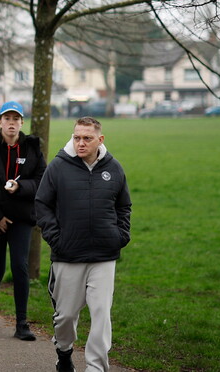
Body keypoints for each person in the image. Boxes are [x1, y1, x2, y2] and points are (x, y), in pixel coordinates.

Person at [36, 117, 131, 372]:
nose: (80, 143)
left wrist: (120, 236)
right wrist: (57, 239)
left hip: (104, 255)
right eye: (77, 137)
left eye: (87, 138)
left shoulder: (115, 168)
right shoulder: (58, 167)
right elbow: (42, 205)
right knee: (65, 316)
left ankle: (96, 367)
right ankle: (64, 351)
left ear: (100, 140)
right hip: (68, 255)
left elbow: (124, 206)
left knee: (101, 314)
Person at [0, 101, 47, 341]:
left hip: (22, 219)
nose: (12, 123)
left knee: (20, 266)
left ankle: (21, 323)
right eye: (7, 118)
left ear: (22, 123)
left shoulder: (33, 148)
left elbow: (42, 180)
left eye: (16, 119)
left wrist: (21, 186)